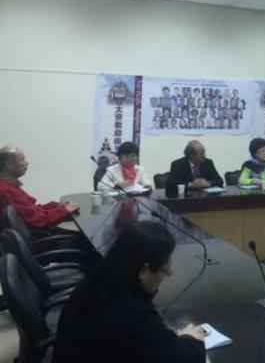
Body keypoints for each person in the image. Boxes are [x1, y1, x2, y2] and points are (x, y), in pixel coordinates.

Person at [53, 221, 206, 363]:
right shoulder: (132, 315)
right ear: (144, 270)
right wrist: (191, 338)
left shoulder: (96, 284)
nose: (169, 274)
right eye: (165, 270)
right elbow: (187, 360)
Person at [0, 146, 80, 229]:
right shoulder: (6, 190)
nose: (27, 163)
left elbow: (32, 210)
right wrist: (65, 210)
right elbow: (38, 220)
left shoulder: (9, 185)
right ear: (9, 165)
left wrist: (57, 206)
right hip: (36, 234)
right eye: (22, 159)